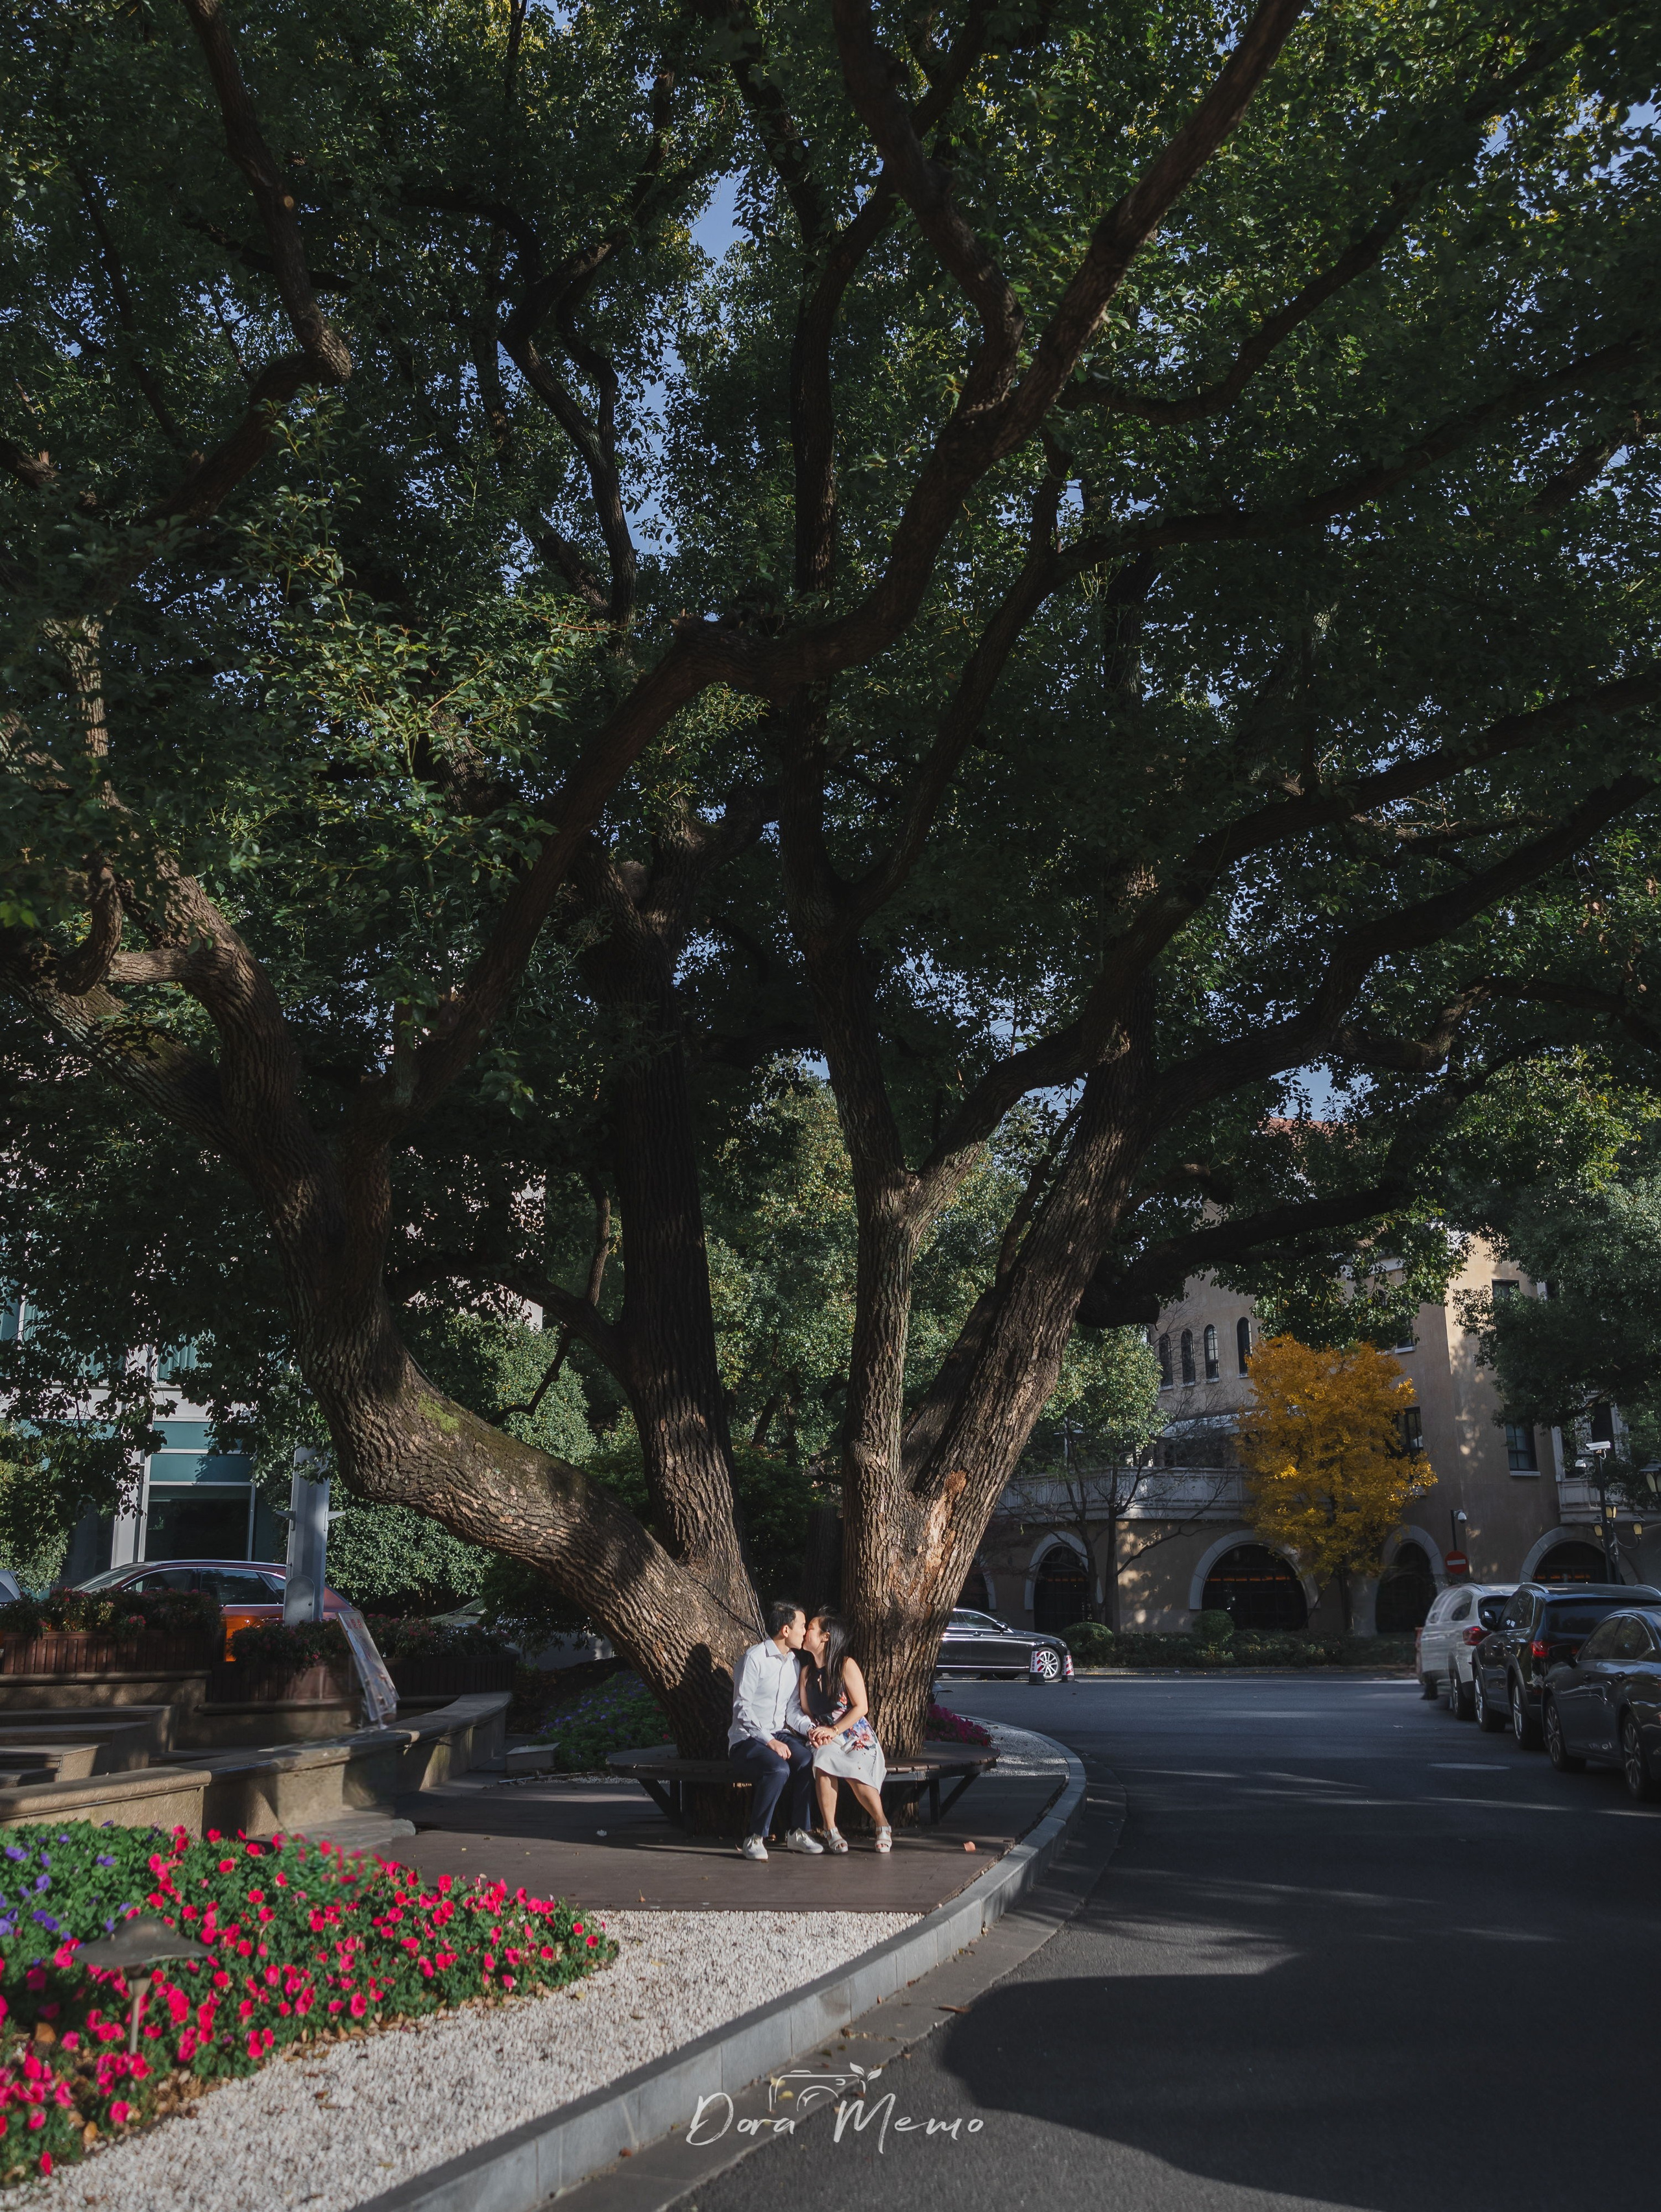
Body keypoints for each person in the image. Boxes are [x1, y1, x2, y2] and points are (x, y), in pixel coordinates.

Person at [728, 1597, 825, 1862]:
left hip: (778, 1734)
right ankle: (755, 1837)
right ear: (786, 1630)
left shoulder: (793, 1663)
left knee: (806, 1759)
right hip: (746, 1740)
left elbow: (792, 1711)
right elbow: (742, 1709)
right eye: (802, 1626)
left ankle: (797, 1833)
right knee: (778, 1768)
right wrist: (769, 1741)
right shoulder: (754, 1658)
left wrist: (812, 1730)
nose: (805, 1632)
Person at [800, 1611, 891, 1853]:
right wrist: (814, 1730)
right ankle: (831, 1829)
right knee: (823, 1759)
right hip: (826, 1737)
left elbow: (862, 1706)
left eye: (810, 1627)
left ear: (825, 1637)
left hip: (854, 1735)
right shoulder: (806, 1673)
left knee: (853, 1768)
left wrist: (834, 1729)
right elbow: (807, 1711)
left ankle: (882, 1822)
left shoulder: (845, 1665)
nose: (805, 1632)